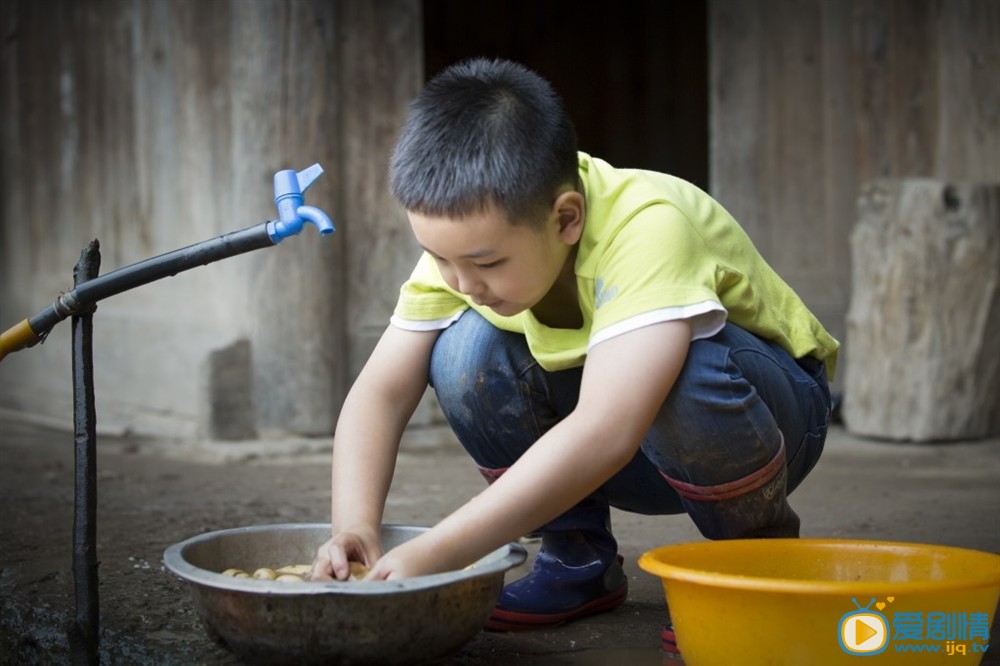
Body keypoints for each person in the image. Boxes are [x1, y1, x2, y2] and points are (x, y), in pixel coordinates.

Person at [311, 57, 838, 638]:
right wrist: (354, 528)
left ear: (566, 218)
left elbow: (606, 431)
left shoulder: (648, 226)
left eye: (484, 262)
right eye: (440, 257)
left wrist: (438, 552)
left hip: (767, 425)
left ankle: (759, 569)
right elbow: (381, 392)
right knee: (462, 353)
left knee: (680, 369)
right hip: (631, 452)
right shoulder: (469, 246)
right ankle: (578, 559)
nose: (459, 281)